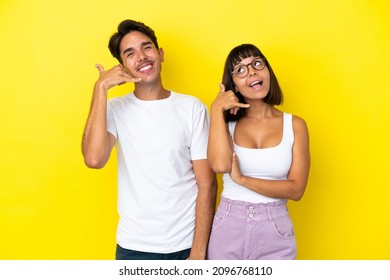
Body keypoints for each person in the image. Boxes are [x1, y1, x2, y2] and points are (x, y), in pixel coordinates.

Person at [82, 19, 217, 260]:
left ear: (160, 54)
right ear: (122, 66)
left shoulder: (191, 108)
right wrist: (100, 88)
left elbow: (207, 184)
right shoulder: (115, 109)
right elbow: (93, 159)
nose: (142, 57)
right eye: (130, 53)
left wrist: (198, 252)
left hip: (186, 245)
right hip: (134, 247)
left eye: (147, 47)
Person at [207, 44, 310, 260]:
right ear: (233, 85)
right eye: (241, 70)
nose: (252, 71)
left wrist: (242, 179)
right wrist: (216, 110)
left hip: (275, 229)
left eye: (256, 63)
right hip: (228, 226)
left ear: (267, 70)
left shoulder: (295, 125)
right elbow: (219, 166)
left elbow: (296, 190)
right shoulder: (226, 124)